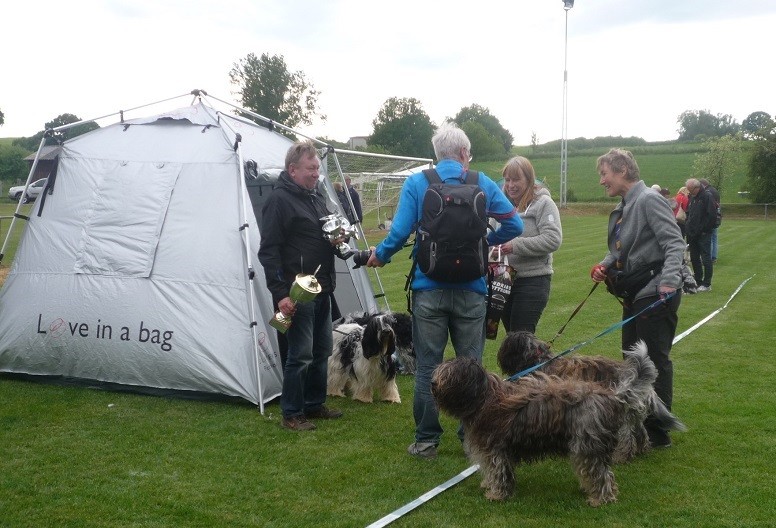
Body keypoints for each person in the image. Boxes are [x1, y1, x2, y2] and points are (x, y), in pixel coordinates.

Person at [365, 122, 523, 459]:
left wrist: (380, 255)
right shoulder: (482, 182)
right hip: (472, 290)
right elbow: (515, 225)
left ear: (436, 156)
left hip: (429, 289)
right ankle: (471, 437)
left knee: (427, 367)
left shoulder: (418, 183)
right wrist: (484, 243)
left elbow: (399, 232)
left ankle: (426, 440)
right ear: (465, 154)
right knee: (472, 365)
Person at [590, 148, 684, 449]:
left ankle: (657, 432)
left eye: (604, 174)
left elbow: (674, 243)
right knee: (631, 363)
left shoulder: (648, 200)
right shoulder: (625, 205)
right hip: (635, 295)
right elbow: (620, 249)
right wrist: (605, 264)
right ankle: (636, 426)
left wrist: (668, 283)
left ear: (621, 171)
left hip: (656, 295)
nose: (602, 181)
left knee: (653, 363)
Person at [258, 140, 344, 431]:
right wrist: (280, 293)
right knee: (300, 354)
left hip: (322, 289)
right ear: (292, 169)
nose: (315, 173)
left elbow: (325, 237)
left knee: (321, 351)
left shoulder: (314, 196)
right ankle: (291, 413)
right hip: (298, 295)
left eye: (317, 168)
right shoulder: (279, 201)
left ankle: (314, 404)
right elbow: (268, 251)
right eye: (311, 168)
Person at [493, 156, 562, 333]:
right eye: (508, 180)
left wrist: (515, 245)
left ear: (529, 180)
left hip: (533, 280)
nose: (510, 185)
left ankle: (536, 362)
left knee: (521, 338)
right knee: (511, 338)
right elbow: (489, 236)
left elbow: (553, 238)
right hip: (503, 280)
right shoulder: (500, 206)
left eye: (516, 179)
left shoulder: (544, 203)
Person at [685, 178, 717, 292]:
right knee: (694, 258)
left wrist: (704, 230)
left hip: (703, 234)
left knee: (705, 258)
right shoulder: (692, 197)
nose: (689, 192)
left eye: (690, 190)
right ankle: (698, 281)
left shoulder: (707, 197)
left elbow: (712, 215)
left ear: (697, 188)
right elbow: (689, 213)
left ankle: (707, 284)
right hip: (692, 234)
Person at [699, 178, 720, 263]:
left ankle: (710, 257)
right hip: (716, 217)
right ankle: (714, 256)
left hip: (711, 218)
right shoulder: (715, 190)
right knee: (714, 238)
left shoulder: (707, 192)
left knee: (709, 238)